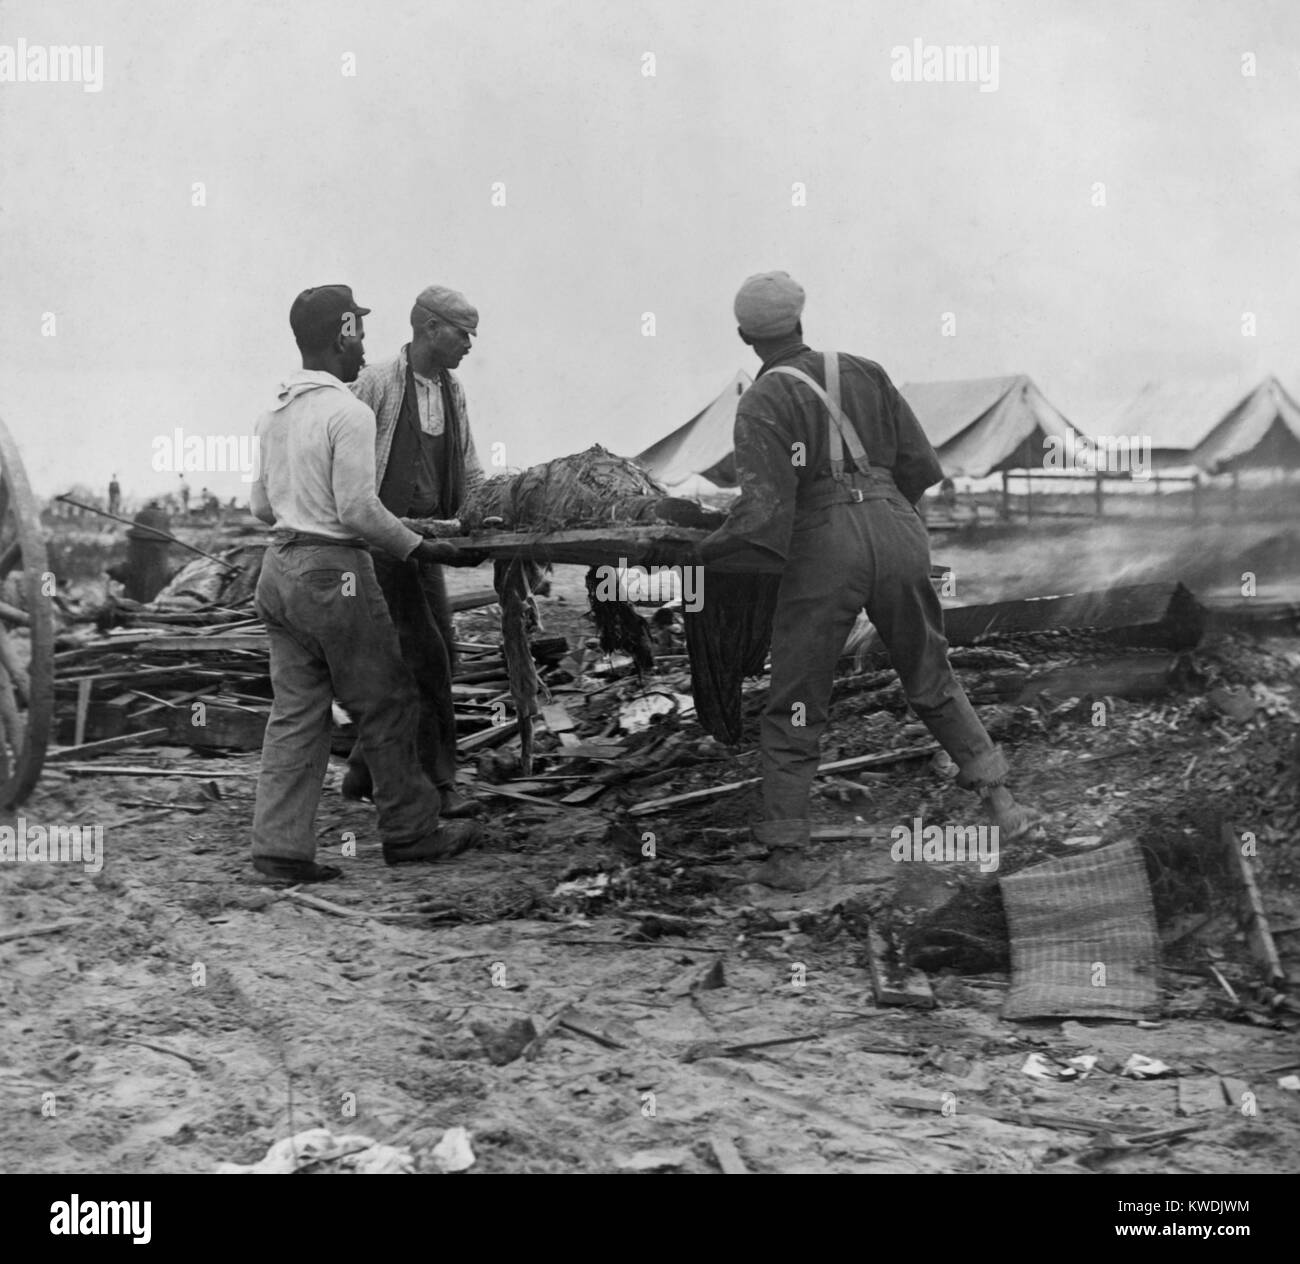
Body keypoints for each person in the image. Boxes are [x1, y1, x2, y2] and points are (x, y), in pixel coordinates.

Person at [692, 271, 1038, 890]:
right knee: (931, 674)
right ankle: (1004, 808)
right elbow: (918, 468)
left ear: (745, 336)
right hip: (899, 530)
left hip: (825, 548)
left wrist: (705, 550)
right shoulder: (866, 371)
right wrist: (881, 517)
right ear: (801, 319)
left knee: (798, 698)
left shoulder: (763, 401)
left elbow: (767, 516)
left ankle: (787, 857)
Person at [248, 284, 484, 883]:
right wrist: (420, 545)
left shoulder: (274, 411)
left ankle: (280, 851)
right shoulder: (350, 412)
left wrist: (304, 515)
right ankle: (411, 831)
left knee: (296, 714)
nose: (364, 349)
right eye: (358, 334)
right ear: (342, 336)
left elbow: (259, 507)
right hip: (336, 574)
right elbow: (357, 508)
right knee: (389, 697)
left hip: (278, 573)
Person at [340, 285, 489, 818]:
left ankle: (361, 770)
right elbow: (344, 458)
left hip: (430, 543)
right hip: (383, 542)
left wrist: (483, 518)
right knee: (425, 655)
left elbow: (469, 465)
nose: (470, 343)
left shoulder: (454, 391)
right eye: (462, 333)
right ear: (429, 328)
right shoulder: (375, 382)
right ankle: (439, 785)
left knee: (439, 650)